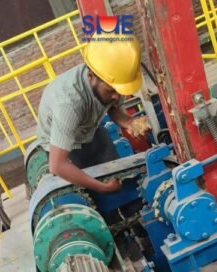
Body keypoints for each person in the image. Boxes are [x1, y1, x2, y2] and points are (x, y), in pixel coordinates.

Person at [37, 32, 149, 193]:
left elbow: (114, 108)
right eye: (111, 91)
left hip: (89, 129)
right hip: (65, 148)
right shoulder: (69, 103)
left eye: (119, 91)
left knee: (122, 184)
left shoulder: (108, 79)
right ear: (90, 77)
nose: (117, 96)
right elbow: (57, 165)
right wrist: (101, 188)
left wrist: (129, 122)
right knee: (97, 197)